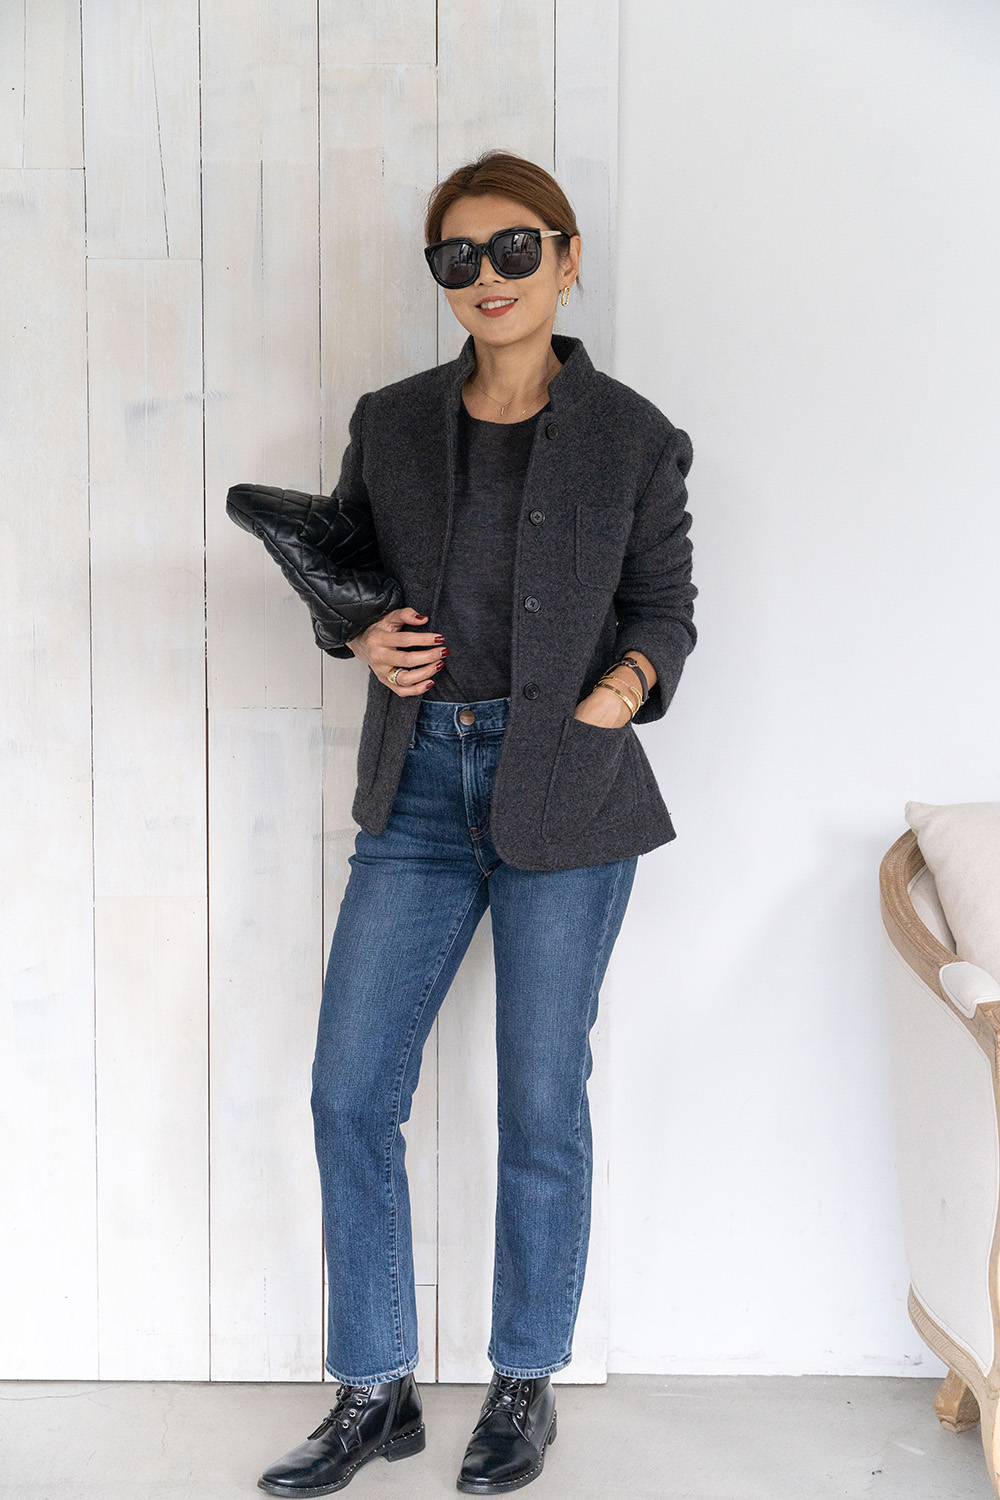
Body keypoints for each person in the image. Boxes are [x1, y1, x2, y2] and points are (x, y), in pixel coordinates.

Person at [256, 150, 696, 1497]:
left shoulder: (634, 437)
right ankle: (373, 1387)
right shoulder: (392, 421)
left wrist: (618, 693)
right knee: (349, 1093)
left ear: (567, 259)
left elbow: (665, 610)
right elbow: (346, 570)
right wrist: (360, 637)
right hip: (418, 790)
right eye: (459, 257)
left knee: (539, 1102)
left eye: (515, 249)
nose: (488, 277)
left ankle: (522, 1383)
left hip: (571, 787)